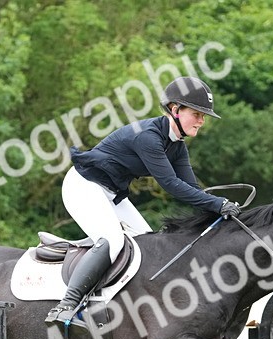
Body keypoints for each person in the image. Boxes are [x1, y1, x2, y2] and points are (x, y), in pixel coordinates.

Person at [45, 76, 242, 325]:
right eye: (197, 114)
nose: (202, 121)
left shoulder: (177, 147)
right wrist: (217, 204)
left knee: (149, 244)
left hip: (111, 195)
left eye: (204, 116)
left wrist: (222, 210)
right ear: (175, 110)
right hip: (83, 186)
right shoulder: (148, 137)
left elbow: (192, 189)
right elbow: (171, 185)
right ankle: (65, 307)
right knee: (113, 241)